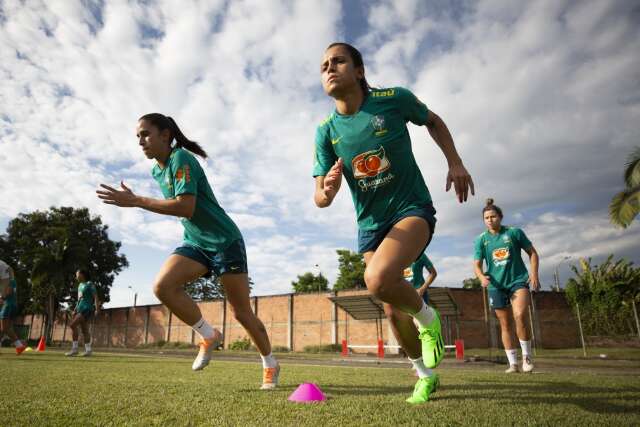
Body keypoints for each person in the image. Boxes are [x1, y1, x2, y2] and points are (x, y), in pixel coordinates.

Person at [313, 43, 474, 403]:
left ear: (359, 71)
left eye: (337, 61)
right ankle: (424, 375)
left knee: (377, 279)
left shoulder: (392, 99)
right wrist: (328, 188)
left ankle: (428, 319)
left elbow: (433, 120)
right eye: (323, 65)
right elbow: (320, 198)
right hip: (370, 225)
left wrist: (455, 161)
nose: (329, 68)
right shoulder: (325, 131)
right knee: (386, 301)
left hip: (411, 208)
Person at [96, 114, 279, 389]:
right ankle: (208, 335)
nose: (140, 141)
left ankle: (270, 363)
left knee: (241, 313)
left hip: (224, 241)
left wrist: (137, 201)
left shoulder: (182, 159)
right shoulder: (157, 170)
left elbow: (185, 207)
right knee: (163, 286)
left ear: (166, 135)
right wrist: (138, 201)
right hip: (195, 242)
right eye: (138, 137)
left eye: (146, 134)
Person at [473, 199, 540, 373]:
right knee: (505, 324)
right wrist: (481, 277)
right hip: (495, 285)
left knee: (520, 315)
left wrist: (534, 274)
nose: (490, 220)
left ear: (500, 217)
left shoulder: (514, 233)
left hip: (517, 280)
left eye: (493, 216)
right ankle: (513, 364)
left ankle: (526, 357)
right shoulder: (481, 240)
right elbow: (477, 265)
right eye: (486, 218)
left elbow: (533, 253)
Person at [65, 269, 100, 357]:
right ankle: (88, 350)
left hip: (87, 308)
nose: (76, 276)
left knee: (72, 325)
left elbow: (95, 297)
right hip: (80, 309)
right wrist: (75, 309)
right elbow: (79, 299)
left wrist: (97, 309)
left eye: (77, 274)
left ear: (82, 275)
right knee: (85, 330)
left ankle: (75, 349)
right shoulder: (80, 285)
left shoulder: (90, 284)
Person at [0, 260, 27, 355]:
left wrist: (2, 298)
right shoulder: (10, 281)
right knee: (4, 328)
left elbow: (9, 292)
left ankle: (19, 346)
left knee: (4, 328)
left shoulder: (11, 282)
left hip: (8, 305)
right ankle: (19, 346)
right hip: (11, 305)